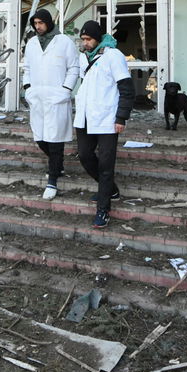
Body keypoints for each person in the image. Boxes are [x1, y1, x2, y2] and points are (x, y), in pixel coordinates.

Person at [73, 20, 135, 228]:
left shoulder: (113, 56)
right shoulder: (84, 57)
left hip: (107, 119)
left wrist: (121, 118)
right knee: (84, 155)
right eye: (83, 39)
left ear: (98, 38)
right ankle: (111, 190)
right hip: (85, 118)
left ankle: (103, 209)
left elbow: (126, 89)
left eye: (88, 39)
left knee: (106, 165)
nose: (86, 43)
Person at [21, 8, 80, 200]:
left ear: (49, 22)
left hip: (57, 97)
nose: (38, 27)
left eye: (41, 23)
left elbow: (73, 68)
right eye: (35, 23)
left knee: (55, 141)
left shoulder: (64, 42)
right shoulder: (31, 44)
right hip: (37, 97)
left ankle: (52, 180)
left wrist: (65, 90)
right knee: (40, 138)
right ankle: (58, 165)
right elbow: (27, 68)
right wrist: (28, 88)